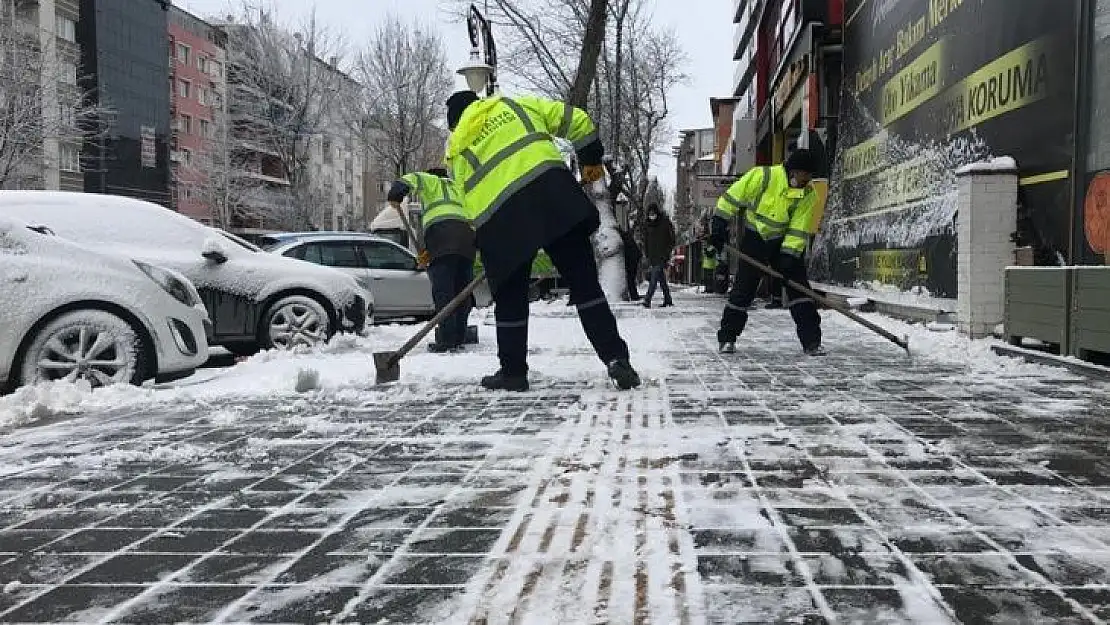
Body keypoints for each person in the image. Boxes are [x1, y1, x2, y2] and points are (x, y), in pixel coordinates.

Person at [444, 89, 641, 392]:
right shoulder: (516, 105)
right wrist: (590, 158)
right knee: (585, 285)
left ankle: (512, 373)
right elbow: (578, 120)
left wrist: (490, 247)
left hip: (502, 221)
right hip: (553, 198)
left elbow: (466, 204)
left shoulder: (457, 149)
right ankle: (616, 358)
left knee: (509, 298)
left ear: (455, 123)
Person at [709, 149, 824, 356]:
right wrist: (719, 222)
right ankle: (727, 338)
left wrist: (789, 256)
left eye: (810, 176)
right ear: (793, 171)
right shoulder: (764, 176)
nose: (808, 179)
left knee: (799, 289)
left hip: (783, 243)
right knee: (743, 290)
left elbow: (798, 228)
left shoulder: (808, 194)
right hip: (756, 238)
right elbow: (733, 197)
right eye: (805, 174)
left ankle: (812, 342)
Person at [387, 167, 475, 353]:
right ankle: (459, 336)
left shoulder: (432, 181)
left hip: (441, 235)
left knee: (444, 292)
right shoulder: (459, 187)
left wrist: (396, 194)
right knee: (463, 291)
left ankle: (447, 340)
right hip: (467, 239)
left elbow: (410, 178)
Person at [641, 204, 675, 308]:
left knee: (654, 278)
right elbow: (645, 241)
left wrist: (667, 252)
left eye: (653, 213)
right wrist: (647, 255)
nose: (651, 216)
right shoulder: (647, 224)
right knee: (661, 279)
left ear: (656, 213)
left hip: (662, 255)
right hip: (652, 256)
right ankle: (668, 299)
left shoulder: (664, 222)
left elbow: (672, 239)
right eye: (650, 214)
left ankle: (647, 300)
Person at [619, 227, 642, 301]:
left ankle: (634, 296)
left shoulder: (624, 239)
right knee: (631, 278)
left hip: (632, 260)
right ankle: (634, 295)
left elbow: (628, 252)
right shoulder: (627, 237)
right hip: (634, 258)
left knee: (630, 279)